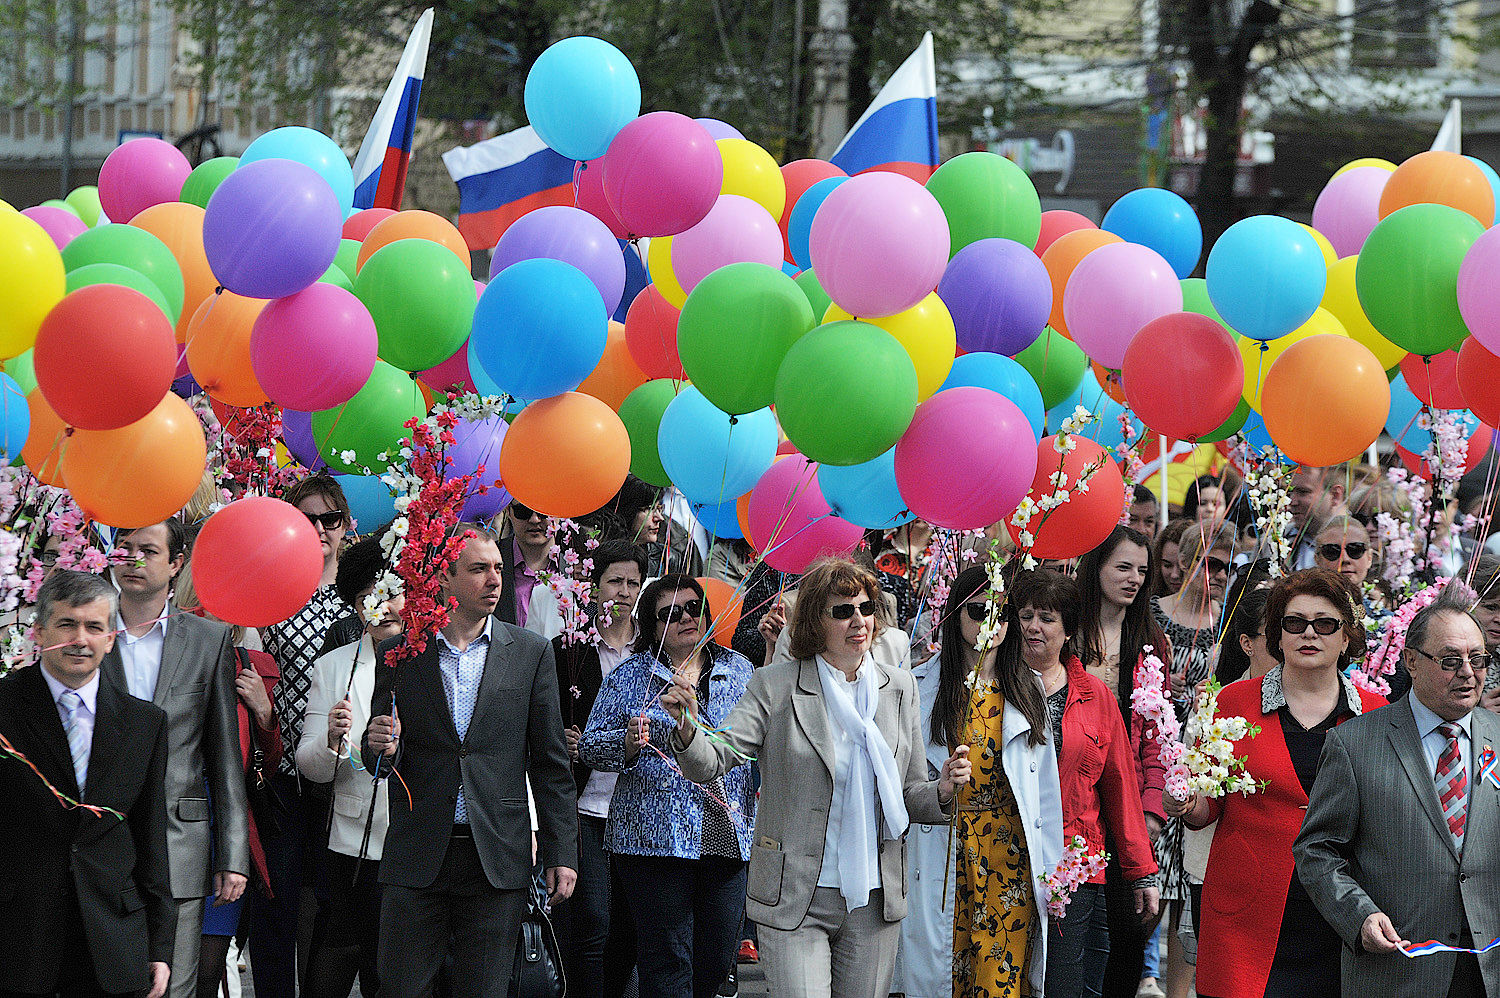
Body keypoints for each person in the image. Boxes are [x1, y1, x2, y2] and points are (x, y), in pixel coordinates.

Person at [665, 558, 971, 998]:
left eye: (866, 608)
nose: (859, 621)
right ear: (814, 621)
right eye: (843, 611)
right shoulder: (775, 684)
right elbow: (713, 760)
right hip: (795, 896)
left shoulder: (899, 688)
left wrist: (941, 789)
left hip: (874, 896)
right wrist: (687, 728)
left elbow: (907, 793)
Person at [364, 525, 577, 998]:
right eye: (479, 569)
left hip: (496, 857)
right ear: (444, 577)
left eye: (498, 568)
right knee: (401, 989)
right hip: (419, 851)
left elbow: (550, 764)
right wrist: (378, 744)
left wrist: (562, 854)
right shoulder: (399, 654)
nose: (494, 580)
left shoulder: (530, 652)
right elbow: (379, 751)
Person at [1166, 568, 1384, 997]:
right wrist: (1187, 804)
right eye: (1294, 622)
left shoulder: (1375, 714)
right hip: (1243, 910)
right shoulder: (1232, 701)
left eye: (1325, 623)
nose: (1309, 634)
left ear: (1346, 638)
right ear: (1276, 636)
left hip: (1336, 911)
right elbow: (1209, 809)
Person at [1294, 587, 1500, 997]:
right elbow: (1317, 850)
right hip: (1398, 968)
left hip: (1488, 970)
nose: (1467, 672)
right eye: (1449, 660)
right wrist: (1360, 917)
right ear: (1411, 661)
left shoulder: (1497, 736)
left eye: (1478, 660)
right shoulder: (1355, 745)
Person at [577, 574, 753, 998]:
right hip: (654, 840)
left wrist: (695, 720)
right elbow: (589, 747)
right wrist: (628, 744)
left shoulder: (738, 668)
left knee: (715, 957)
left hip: (726, 832)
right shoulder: (629, 677)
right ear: (653, 627)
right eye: (670, 614)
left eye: (694, 608)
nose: (686, 618)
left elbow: (750, 741)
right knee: (667, 960)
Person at [0, 570, 173, 998]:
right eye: (66, 624)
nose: (80, 639)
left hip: (112, 937)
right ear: (39, 632)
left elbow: (151, 836)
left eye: (94, 627)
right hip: (18, 933)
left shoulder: (144, 723)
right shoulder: (3, 708)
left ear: (111, 638)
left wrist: (160, 945)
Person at [898, 565, 1062, 998]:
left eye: (1003, 612)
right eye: (978, 610)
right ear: (955, 615)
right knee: (944, 976)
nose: (992, 621)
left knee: (999, 981)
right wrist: (944, 788)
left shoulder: (1027, 689)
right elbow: (904, 782)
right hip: (943, 847)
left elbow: (1045, 793)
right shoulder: (919, 686)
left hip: (1008, 854)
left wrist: (1054, 868)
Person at [104, 517, 247, 998]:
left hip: (180, 840)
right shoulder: (88, 632)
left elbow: (224, 756)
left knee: (176, 986)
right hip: (105, 837)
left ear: (176, 563)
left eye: (147, 549)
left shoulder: (209, 641)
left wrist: (233, 853)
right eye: (124, 547)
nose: (133, 559)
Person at [1004, 570, 1158, 998]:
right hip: (1006, 857)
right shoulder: (993, 687)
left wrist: (1141, 873)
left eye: (1047, 618)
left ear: (1069, 630)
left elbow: (1121, 788)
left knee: (1065, 986)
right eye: (1027, 615)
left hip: (1075, 864)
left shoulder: (1095, 695)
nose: (1034, 626)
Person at [251, 474, 354, 998]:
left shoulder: (364, 602)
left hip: (349, 778)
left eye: (329, 519)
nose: (317, 529)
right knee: (278, 903)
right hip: (284, 775)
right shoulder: (271, 597)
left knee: (335, 912)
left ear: (346, 526)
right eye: (306, 519)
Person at [296, 534, 402, 998]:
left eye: (394, 592)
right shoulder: (335, 667)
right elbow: (310, 766)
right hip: (352, 845)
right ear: (357, 608)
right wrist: (334, 740)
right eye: (370, 599)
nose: (386, 608)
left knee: (396, 970)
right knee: (337, 958)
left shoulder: (437, 658)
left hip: (418, 840)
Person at [169, 564, 282, 998]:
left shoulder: (255, 667)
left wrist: (263, 711)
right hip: (170, 828)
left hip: (226, 834)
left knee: (207, 971)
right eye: (208, 602)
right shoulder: (165, 662)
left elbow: (266, 764)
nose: (218, 614)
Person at [1074, 527, 1171, 998]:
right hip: (1073, 798)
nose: (1134, 579)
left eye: (1142, 570)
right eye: (1123, 567)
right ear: (1096, 567)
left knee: (1130, 924)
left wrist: (1152, 807)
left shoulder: (1150, 640)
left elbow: (1156, 734)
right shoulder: (1065, 628)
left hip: (1129, 804)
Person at [553, 540, 646, 998]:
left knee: (629, 928)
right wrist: (562, 741)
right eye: (615, 581)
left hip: (638, 806)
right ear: (593, 587)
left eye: (633, 582)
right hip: (585, 804)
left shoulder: (653, 654)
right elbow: (543, 721)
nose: (624, 591)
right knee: (592, 920)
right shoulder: (567, 650)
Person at [1148, 525, 1232, 998]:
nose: (1220, 575)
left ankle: (1179, 993)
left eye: (1227, 566)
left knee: (1187, 892)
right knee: (1151, 886)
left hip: (1201, 762)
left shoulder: (1227, 623)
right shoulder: (1156, 615)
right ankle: (1137, 972)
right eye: (1212, 564)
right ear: (1186, 563)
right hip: (1158, 756)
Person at [496, 499, 558, 627]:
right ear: (508, 511)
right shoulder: (491, 559)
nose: (534, 519)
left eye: (544, 511)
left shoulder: (578, 563)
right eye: (523, 511)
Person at [1287, 466, 1348, 570]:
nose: (1292, 502)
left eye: (1303, 492)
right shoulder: (1277, 540)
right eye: (1290, 493)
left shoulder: (1362, 541)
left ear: (1335, 495)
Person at [1148, 521, 1189, 598]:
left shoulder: (1215, 607)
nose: (1174, 575)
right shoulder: (1147, 604)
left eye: (1183, 565)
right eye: (1167, 565)